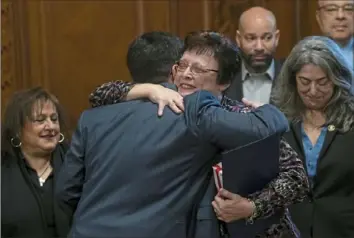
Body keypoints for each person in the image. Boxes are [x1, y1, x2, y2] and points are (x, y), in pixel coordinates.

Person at [55, 31, 289, 238]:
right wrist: (268, 110)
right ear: (172, 70)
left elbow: (66, 191)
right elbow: (267, 128)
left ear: (224, 81)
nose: (187, 74)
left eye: (197, 69)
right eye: (183, 66)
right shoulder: (197, 112)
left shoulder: (93, 117)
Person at [272, 36, 354, 238]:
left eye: (322, 82)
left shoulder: (351, 120)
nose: (313, 91)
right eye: (305, 82)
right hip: (289, 230)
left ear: (337, 79)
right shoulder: (279, 120)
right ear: (293, 80)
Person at [1, 87, 71, 238]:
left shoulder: (75, 161)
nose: (50, 126)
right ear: (18, 129)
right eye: (40, 120)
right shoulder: (4, 167)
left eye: (54, 119)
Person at [224, 6, 283, 104]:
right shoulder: (224, 78)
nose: (259, 47)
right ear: (238, 39)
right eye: (251, 38)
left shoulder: (292, 79)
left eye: (267, 38)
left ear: (276, 38)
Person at [316, 0, 354, 69]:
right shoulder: (304, 56)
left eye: (348, 8)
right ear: (319, 17)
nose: (340, 16)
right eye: (331, 9)